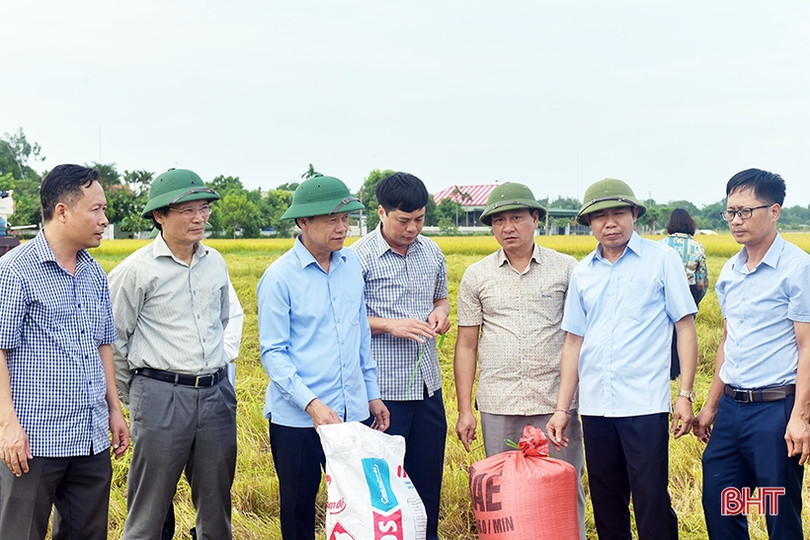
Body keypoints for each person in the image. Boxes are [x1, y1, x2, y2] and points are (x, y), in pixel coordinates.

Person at [546, 178, 698, 540]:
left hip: (644, 403)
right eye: (599, 217)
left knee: (651, 502)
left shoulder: (662, 260)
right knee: (606, 503)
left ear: (633, 215)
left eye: (618, 213)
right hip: (597, 407)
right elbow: (574, 341)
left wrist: (685, 394)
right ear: (589, 224)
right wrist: (562, 408)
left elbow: (685, 327)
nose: (609, 223)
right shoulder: (583, 272)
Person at [257, 174, 390, 540]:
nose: (341, 227)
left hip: (352, 413)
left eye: (345, 218)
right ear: (303, 222)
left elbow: (359, 336)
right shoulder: (279, 278)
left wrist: (372, 394)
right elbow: (273, 353)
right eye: (331, 219)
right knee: (299, 509)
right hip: (299, 422)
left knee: (358, 505)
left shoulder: (351, 268)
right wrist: (312, 404)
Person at [0, 164, 129, 538]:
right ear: (62, 211)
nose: (104, 219)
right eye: (96, 209)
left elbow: (104, 343)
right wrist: (8, 425)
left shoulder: (94, 273)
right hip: (33, 440)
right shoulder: (15, 272)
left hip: (89, 437)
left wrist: (114, 409)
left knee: (87, 533)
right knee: (20, 532)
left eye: (104, 210)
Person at [453, 182, 586, 539]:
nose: (507, 227)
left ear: (536, 219)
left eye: (516, 218)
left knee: (563, 486)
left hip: (555, 401)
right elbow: (467, 345)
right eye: (498, 221)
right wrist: (465, 409)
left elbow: (579, 337)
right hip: (499, 402)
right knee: (505, 495)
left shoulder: (567, 269)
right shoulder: (477, 275)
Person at [109, 168, 236, 540]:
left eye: (204, 209)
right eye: (187, 211)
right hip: (161, 395)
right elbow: (114, 340)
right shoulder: (136, 271)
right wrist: (138, 401)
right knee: (148, 511)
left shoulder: (215, 262)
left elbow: (222, 320)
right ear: (160, 216)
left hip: (215, 394)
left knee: (217, 508)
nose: (199, 218)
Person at [693, 169, 810, 539]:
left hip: (774, 412)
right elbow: (728, 342)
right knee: (722, 504)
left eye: (745, 211)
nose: (736, 221)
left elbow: (808, 346)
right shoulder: (730, 270)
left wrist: (800, 417)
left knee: (778, 511)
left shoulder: (797, 268)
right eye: (730, 212)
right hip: (731, 411)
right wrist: (711, 407)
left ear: (774, 211)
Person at [350, 172, 450, 540]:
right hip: (384, 391)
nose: (412, 228)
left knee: (427, 480)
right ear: (381, 212)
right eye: (404, 220)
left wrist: (441, 313)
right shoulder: (358, 257)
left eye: (420, 219)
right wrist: (392, 325)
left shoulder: (432, 252)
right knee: (384, 487)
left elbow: (441, 297)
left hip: (427, 387)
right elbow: (349, 318)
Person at [659, 208, 709, 379]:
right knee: (685, 331)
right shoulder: (697, 246)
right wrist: (696, 298)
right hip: (688, 290)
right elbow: (702, 278)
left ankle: (666, 370)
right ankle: (680, 371)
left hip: (664, 291)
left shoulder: (661, 244)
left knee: (665, 333)